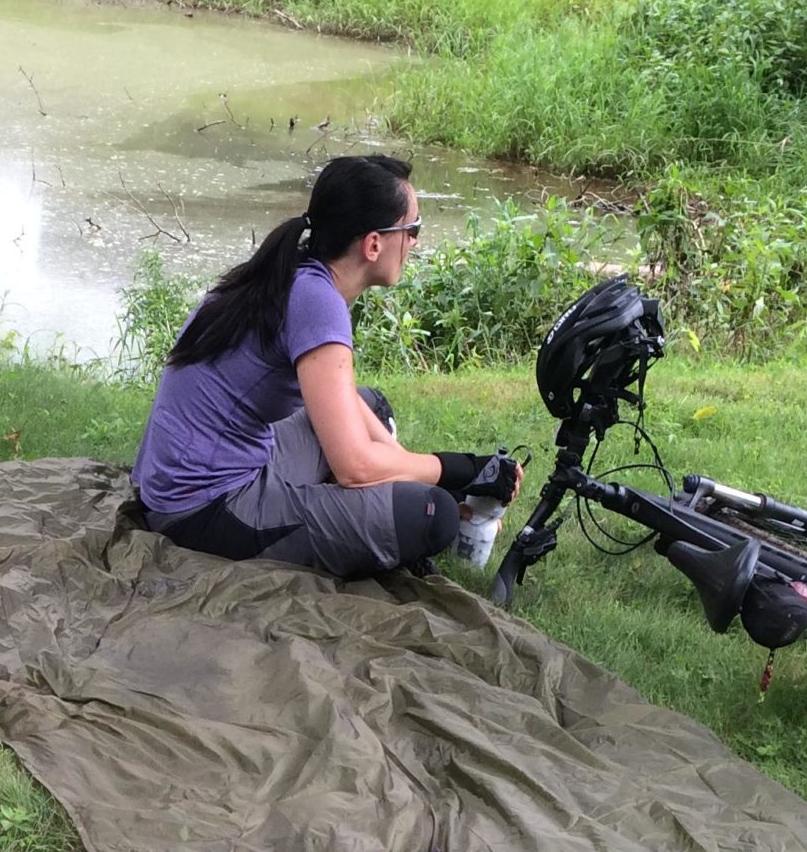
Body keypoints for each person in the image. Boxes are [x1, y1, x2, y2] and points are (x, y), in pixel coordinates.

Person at [130, 154, 519, 579]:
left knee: (371, 407)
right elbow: (354, 467)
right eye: (413, 230)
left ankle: (371, 509)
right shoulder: (316, 300)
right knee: (432, 515)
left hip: (195, 475)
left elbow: (345, 402)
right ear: (373, 244)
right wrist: (460, 469)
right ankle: (388, 515)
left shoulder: (294, 273)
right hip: (201, 509)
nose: (415, 243)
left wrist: (416, 466)